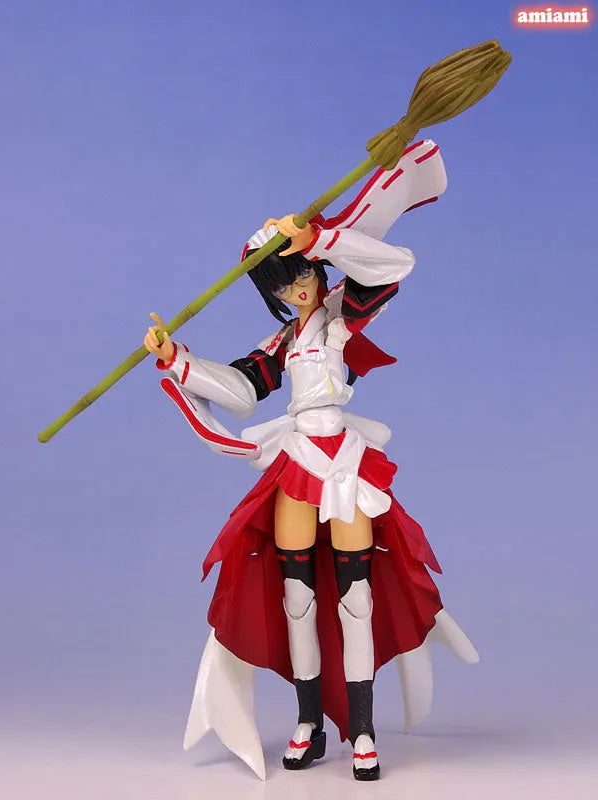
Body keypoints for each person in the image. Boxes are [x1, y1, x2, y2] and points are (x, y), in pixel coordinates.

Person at [143, 139, 478, 782]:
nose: (298, 288)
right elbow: (242, 389)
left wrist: (321, 239)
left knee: (357, 601)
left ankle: (364, 732)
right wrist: (176, 359)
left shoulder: (341, 317)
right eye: (283, 283)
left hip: (343, 460)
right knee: (296, 597)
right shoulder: (283, 341)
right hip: (298, 456)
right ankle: (308, 723)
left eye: (301, 274)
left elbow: (393, 265)